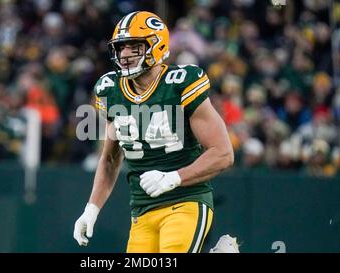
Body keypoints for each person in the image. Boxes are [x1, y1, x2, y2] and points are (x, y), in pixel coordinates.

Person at [73, 11, 234, 253]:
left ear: (156, 46)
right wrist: (91, 208)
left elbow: (223, 153)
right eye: (121, 48)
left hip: (185, 201)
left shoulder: (181, 82)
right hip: (142, 211)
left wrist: (174, 177)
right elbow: (110, 159)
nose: (125, 54)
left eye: (134, 47)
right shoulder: (110, 90)